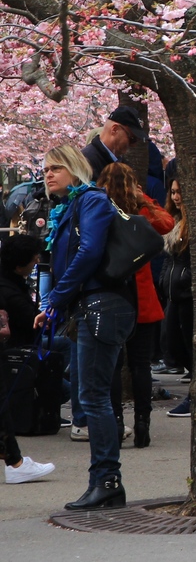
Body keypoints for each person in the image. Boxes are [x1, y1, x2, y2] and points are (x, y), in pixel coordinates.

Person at [35, 146, 131, 510]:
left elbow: (89, 251)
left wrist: (56, 299)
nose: (49, 174)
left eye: (56, 167)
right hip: (90, 305)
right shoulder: (71, 206)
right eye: (45, 168)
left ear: (76, 169)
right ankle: (104, 481)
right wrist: (56, 305)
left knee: (93, 395)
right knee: (90, 393)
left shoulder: (90, 200)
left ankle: (106, 480)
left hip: (102, 305)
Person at [92, 163, 173, 448]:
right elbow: (167, 224)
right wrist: (145, 200)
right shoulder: (140, 212)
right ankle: (143, 423)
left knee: (113, 365)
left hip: (112, 294)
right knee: (141, 366)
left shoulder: (100, 209)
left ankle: (115, 422)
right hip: (143, 296)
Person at [1, 234, 56, 484]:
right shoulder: (10, 290)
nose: (37, 262)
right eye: (33, 260)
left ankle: (15, 461)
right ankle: (15, 462)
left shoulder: (12, 284)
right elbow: (28, 322)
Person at [160, 179, 195, 417]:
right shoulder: (173, 221)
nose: (175, 197)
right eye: (173, 192)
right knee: (171, 342)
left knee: (188, 346)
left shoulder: (193, 224)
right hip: (173, 291)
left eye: (179, 192)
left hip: (186, 291)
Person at [80, 107, 145, 182]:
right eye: (132, 138)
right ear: (114, 129)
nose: (134, 145)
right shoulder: (86, 161)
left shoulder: (121, 162)